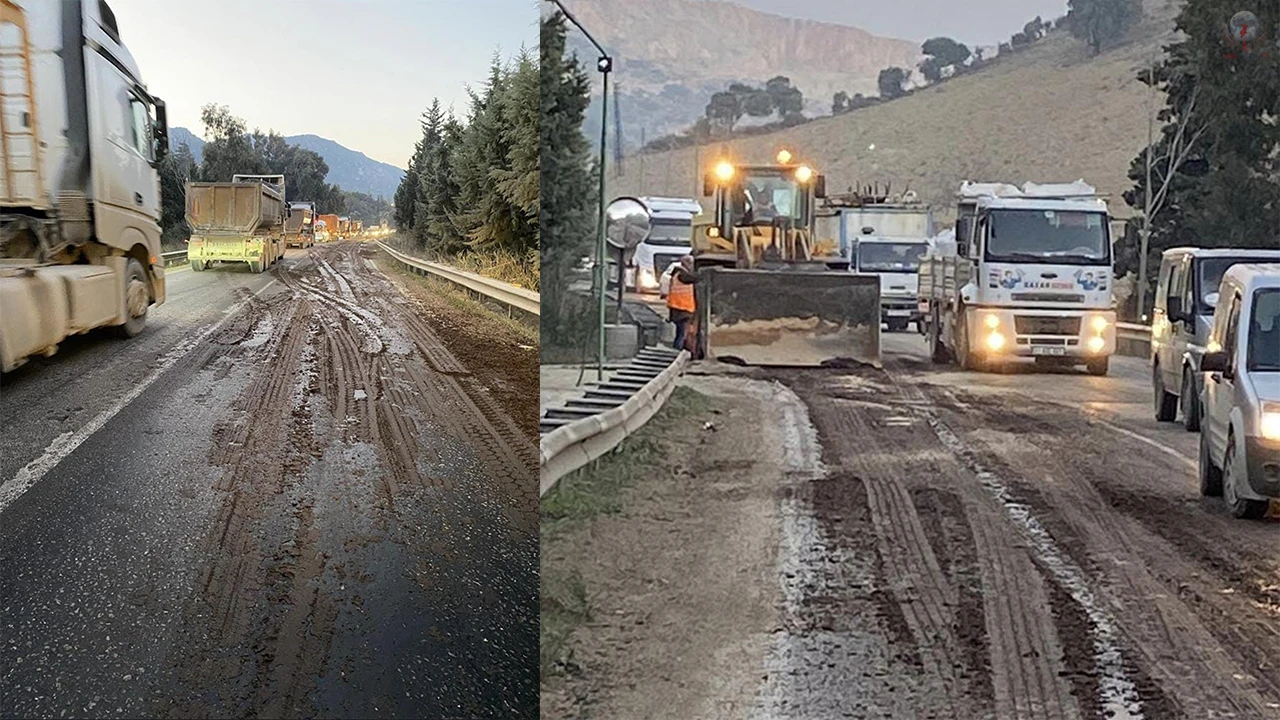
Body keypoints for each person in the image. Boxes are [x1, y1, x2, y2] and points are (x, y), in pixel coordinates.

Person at [667, 255, 698, 352]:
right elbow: (693, 278)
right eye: (690, 263)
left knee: (680, 332)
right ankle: (678, 350)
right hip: (682, 308)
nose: (691, 266)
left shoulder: (677, 274)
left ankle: (678, 348)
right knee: (682, 333)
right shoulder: (682, 275)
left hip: (678, 308)